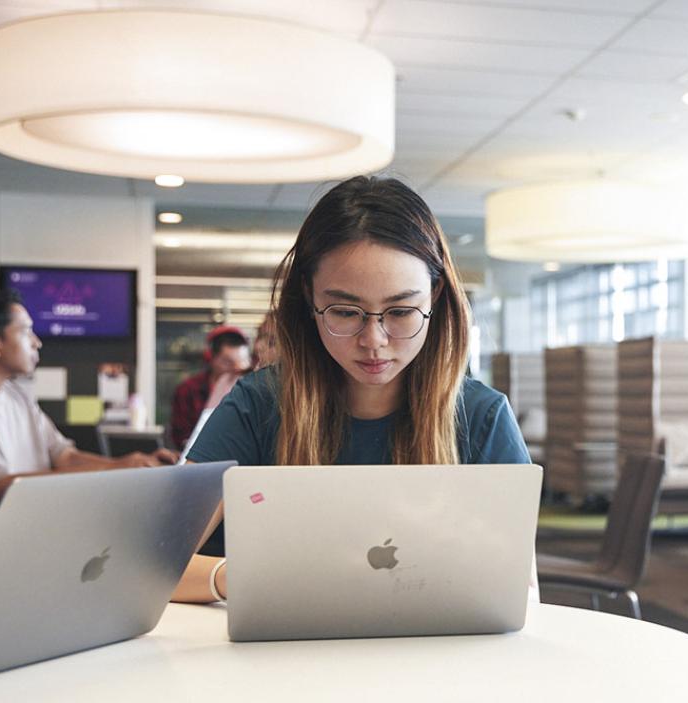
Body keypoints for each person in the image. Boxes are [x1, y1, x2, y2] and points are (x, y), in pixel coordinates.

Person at [172, 176, 530, 603]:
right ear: (309, 298)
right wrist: (239, 576)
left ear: (435, 296)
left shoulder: (483, 417)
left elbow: (519, 594)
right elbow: (145, 563)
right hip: (282, 662)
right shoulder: (258, 404)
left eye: (400, 311)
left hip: (432, 662)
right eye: (345, 311)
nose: (374, 340)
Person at [0, 289, 177, 505]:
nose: (37, 342)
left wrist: (129, 465)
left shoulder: (18, 397)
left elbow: (65, 457)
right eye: (26, 332)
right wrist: (117, 469)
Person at [169, 325, 252, 449]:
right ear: (211, 358)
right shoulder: (188, 391)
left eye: (243, 362)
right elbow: (180, 436)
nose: (236, 370)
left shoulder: (252, 392)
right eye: (228, 362)